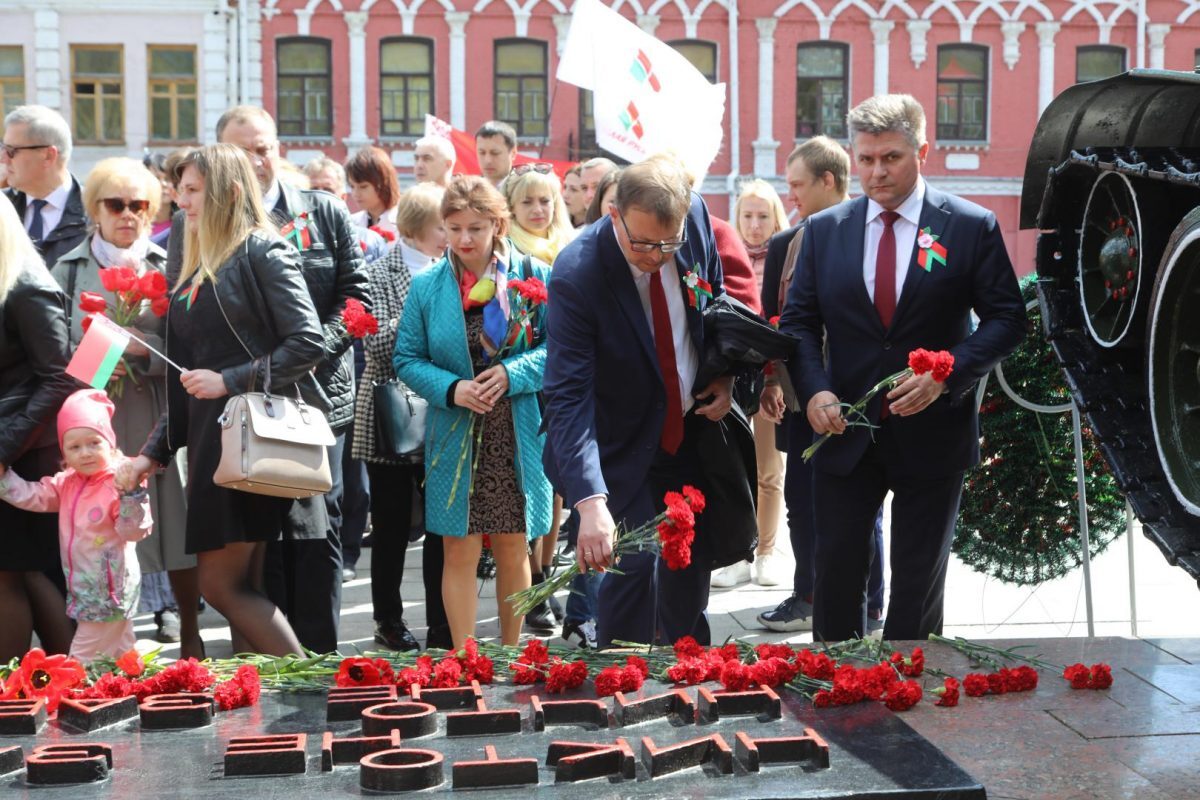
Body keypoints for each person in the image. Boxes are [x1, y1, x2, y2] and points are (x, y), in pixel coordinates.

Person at [780, 95, 1025, 641]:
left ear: (922, 152)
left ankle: (908, 681)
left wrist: (947, 371)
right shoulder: (825, 231)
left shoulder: (970, 226)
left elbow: (1008, 319)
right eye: (865, 159)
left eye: (890, 157)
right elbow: (798, 324)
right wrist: (814, 389)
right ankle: (837, 677)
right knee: (835, 571)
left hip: (933, 434)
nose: (877, 172)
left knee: (917, 583)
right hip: (842, 429)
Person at [127, 144, 329, 657]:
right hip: (215, 438)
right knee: (242, 585)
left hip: (247, 436)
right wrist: (154, 452)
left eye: (193, 191)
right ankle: (270, 696)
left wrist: (229, 381)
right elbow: (187, 372)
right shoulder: (200, 258)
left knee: (220, 586)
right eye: (180, 190)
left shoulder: (262, 249)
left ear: (230, 192)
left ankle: (311, 687)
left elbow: (308, 342)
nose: (181, 202)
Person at [542, 155, 731, 649]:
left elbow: (714, 300)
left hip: (687, 427)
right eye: (643, 244)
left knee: (688, 561)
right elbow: (568, 396)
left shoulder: (695, 218)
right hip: (615, 440)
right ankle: (621, 678)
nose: (657, 257)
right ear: (614, 215)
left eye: (670, 244)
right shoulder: (578, 273)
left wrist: (724, 373)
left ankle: (688, 667)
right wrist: (589, 502)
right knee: (634, 565)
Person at [215, 106, 370, 654]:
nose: (256, 160)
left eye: (263, 148)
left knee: (319, 527)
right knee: (260, 532)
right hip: (247, 401)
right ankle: (272, 656)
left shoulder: (323, 211)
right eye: (242, 151)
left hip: (319, 397)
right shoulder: (210, 220)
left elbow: (356, 299)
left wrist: (305, 354)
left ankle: (320, 658)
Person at [395, 175, 553, 649]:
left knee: (512, 543)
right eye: (454, 227)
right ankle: (466, 658)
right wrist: (452, 388)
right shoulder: (427, 286)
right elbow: (407, 357)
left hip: (515, 430)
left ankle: (509, 653)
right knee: (457, 548)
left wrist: (512, 373)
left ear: (498, 225)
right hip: (455, 428)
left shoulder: (534, 276)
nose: (464, 239)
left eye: (476, 228)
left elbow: (560, 350)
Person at [49, 157, 200, 656]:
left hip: (156, 412)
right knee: (99, 530)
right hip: (94, 422)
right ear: (95, 209)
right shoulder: (69, 268)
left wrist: (143, 349)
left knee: (173, 524)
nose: (128, 214)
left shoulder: (168, 264)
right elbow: (52, 343)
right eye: (116, 205)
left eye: (139, 205)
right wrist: (90, 363)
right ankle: (110, 639)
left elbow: (190, 345)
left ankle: (190, 630)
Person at [755, 136, 893, 634]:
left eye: (797, 185)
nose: (790, 195)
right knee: (802, 502)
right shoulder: (784, 244)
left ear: (828, 180)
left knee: (863, 507)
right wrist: (773, 379)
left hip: (856, 396)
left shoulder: (872, 233)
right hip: (801, 397)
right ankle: (809, 593)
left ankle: (871, 603)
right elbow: (777, 321)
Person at [352, 184, 450, 652]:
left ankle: (442, 622)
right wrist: (424, 311)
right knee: (390, 526)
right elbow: (375, 345)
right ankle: (388, 620)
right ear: (415, 227)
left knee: (442, 526)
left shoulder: (453, 270)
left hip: (443, 410)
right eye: (442, 226)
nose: (450, 235)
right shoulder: (377, 272)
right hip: (390, 412)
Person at [0, 390, 152, 663]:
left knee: (83, 658)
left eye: (94, 443)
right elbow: (35, 495)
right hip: (89, 589)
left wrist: (131, 496)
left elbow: (134, 531)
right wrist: (4, 479)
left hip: (109, 591)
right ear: (64, 452)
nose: (85, 453)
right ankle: (137, 683)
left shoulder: (119, 482)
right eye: (75, 447)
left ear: (110, 443)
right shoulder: (68, 483)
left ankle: (74, 688)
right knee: (124, 655)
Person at [500, 163, 577, 631]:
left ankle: (546, 573)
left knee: (559, 483)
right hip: (526, 383)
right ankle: (531, 579)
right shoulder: (507, 255)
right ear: (510, 209)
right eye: (526, 201)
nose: (537, 209)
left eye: (545, 200)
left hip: (566, 379)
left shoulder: (570, 248)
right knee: (530, 483)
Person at [0, 196, 75, 660]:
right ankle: (65, 680)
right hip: (15, 444)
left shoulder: (26, 284)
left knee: (15, 571)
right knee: (23, 571)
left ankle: (13, 687)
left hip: (25, 452)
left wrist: (5, 448)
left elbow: (61, 375)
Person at [709, 179, 791, 590]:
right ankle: (738, 552)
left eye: (763, 216)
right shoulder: (722, 254)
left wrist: (773, 377)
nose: (755, 225)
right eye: (747, 215)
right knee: (733, 468)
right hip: (733, 371)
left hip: (772, 374)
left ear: (776, 218)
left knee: (769, 468)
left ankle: (766, 552)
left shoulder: (785, 255)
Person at [1, 106, 87, 267]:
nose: (3, 159)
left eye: (12, 151)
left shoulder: (98, 213)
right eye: (3, 148)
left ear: (48, 155)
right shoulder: (3, 207)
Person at [347, 146, 402, 239]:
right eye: (352, 186)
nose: (356, 193)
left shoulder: (404, 223)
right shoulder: (351, 223)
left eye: (363, 187)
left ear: (383, 182)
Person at [475, 121, 517, 186]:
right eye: (482, 153)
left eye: (495, 153)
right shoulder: (467, 190)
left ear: (513, 153)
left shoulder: (528, 189)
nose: (488, 160)